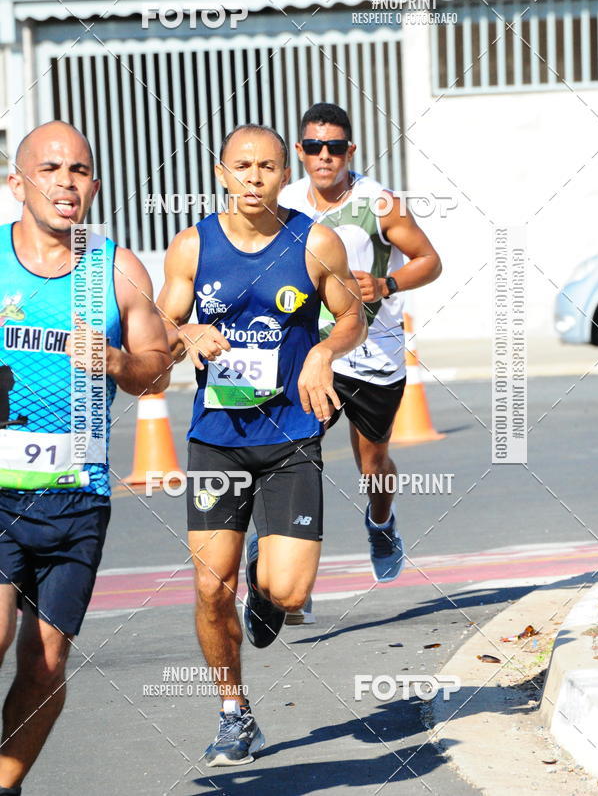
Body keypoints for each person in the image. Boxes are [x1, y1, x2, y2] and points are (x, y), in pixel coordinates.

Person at [157, 123, 366, 766]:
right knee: (209, 588)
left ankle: (265, 581)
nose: (254, 177)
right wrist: (187, 333)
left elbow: (354, 313)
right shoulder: (192, 247)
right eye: (242, 166)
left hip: (291, 439)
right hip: (217, 440)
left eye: (268, 167)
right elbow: (157, 327)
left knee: (291, 595)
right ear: (222, 172)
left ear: (286, 174)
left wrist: (325, 351)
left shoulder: (315, 240)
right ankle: (233, 713)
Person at [0, 121, 171, 795]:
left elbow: (155, 372)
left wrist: (116, 359)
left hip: (77, 494)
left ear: (94, 186)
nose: (64, 182)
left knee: (45, 666)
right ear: (18, 183)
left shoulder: (117, 268)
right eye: (49, 169)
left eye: (77, 170)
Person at [280, 103, 442, 599]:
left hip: (376, 351)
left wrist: (387, 283)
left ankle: (381, 521)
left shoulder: (380, 203)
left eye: (334, 147)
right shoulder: (284, 201)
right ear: (301, 152)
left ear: (350, 151)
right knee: (290, 453)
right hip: (314, 350)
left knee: (372, 463)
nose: (324, 156)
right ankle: (277, 556)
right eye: (313, 147)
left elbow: (430, 261)